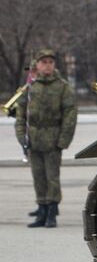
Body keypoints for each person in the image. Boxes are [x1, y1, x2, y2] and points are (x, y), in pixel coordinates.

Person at [14, 50, 77, 228]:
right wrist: (22, 138)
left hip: (53, 139)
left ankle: (51, 213)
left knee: (52, 178)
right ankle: (41, 210)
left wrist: (63, 141)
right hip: (34, 139)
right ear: (38, 65)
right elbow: (21, 115)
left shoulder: (62, 87)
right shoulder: (30, 87)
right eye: (44, 62)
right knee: (38, 177)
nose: (48, 65)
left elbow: (70, 116)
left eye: (50, 62)